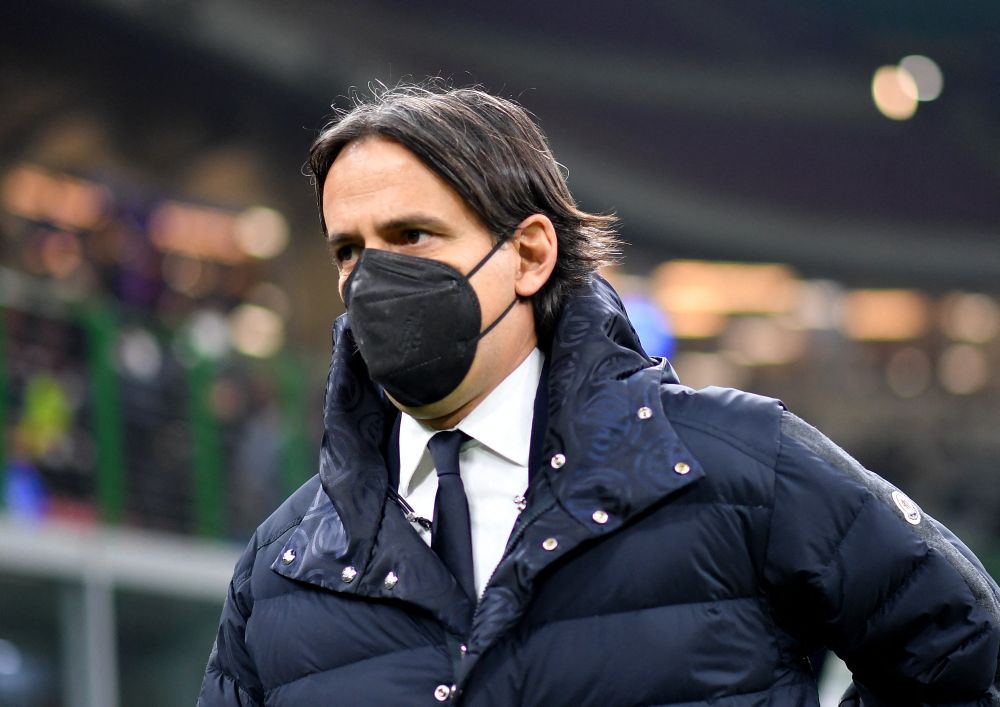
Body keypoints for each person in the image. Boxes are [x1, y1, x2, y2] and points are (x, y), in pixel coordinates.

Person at [199, 83, 1000, 706]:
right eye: (349, 249)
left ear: (531, 253)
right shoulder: (280, 569)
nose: (372, 277)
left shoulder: (738, 466)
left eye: (411, 237)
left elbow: (959, 645)